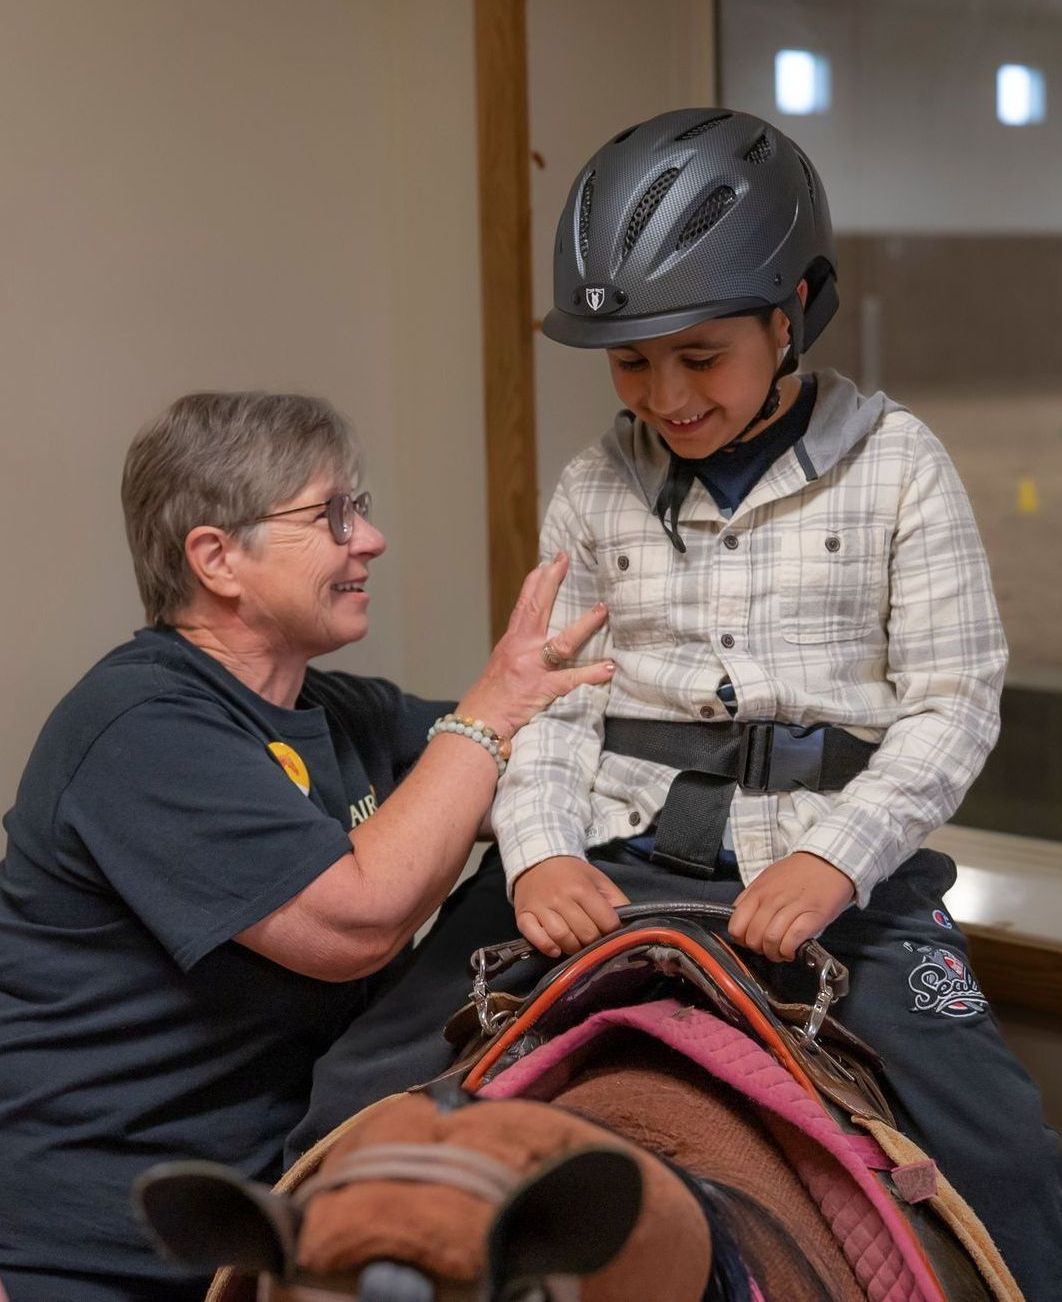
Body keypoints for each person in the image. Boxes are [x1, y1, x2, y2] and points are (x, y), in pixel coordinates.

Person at [292, 111, 1061, 1298]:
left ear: (794, 310)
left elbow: (952, 707)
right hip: (611, 852)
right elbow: (548, 702)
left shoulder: (900, 464)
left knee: (1005, 1156)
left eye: (700, 356)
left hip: (832, 876)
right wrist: (539, 856)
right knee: (347, 1095)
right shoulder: (594, 483)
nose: (666, 395)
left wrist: (839, 863)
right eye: (632, 363)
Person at [0, 390, 612, 1302]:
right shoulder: (140, 727)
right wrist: (490, 709)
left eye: (358, 509)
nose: (370, 540)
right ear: (216, 558)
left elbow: (519, 769)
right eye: (333, 515)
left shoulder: (336, 710)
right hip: (107, 1252)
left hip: (271, 1228)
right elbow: (354, 922)